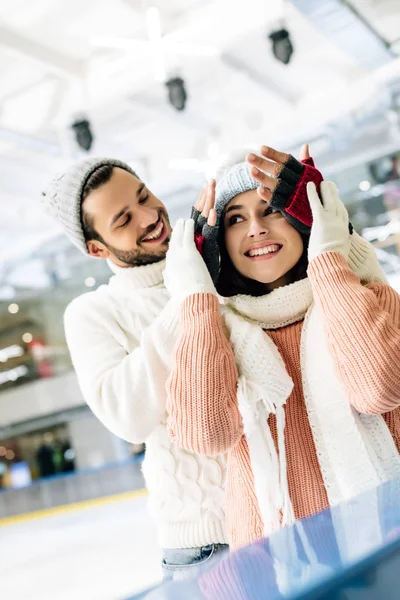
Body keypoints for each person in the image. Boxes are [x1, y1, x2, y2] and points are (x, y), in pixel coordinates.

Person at [164, 145, 400, 550]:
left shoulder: (367, 296)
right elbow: (207, 435)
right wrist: (196, 300)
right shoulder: (210, 335)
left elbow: (378, 390)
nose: (256, 228)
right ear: (218, 244)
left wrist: (329, 256)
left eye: (270, 208)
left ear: (300, 221)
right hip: (280, 566)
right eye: (236, 219)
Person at [41, 158, 228, 578]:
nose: (150, 217)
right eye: (124, 218)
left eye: (144, 196)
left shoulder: (213, 260)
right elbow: (129, 416)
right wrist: (187, 297)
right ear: (97, 248)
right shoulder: (93, 313)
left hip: (285, 510)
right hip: (206, 543)